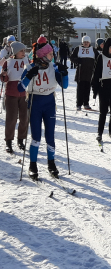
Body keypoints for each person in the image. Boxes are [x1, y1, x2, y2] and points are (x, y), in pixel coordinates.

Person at [18, 37, 68, 180]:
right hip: (35, 104)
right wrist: (28, 76)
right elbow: (20, 87)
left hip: (49, 103)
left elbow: (64, 86)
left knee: (50, 136)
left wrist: (64, 74)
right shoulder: (30, 67)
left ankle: (51, 164)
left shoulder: (53, 67)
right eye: (50, 54)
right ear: (42, 55)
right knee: (36, 137)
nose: (53, 56)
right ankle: (33, 165)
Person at [1, 42, 29, 153]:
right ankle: (8, 141)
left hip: (24, 94)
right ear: (15, 52)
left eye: (24, 50)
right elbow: (5, 79)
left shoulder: (27, 60)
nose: (23, 52)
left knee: (24, 118)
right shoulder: (8, 62)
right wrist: (3, 76)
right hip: (11, 93)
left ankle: (21, 140)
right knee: (11, 119)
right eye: (21, 51)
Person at [70, 35, 95, 111]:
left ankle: (86, 103)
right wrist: (77, 60)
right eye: (84, 42)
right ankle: (79, 104)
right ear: (82, 42)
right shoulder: (78, 48)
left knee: (87, 88)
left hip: (89, 72)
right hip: (80, 72)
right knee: (80, 89)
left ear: (89, 42)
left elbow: (98, 58)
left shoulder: (93, 49)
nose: (86, 43)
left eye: (87, 42)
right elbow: (72, 57)